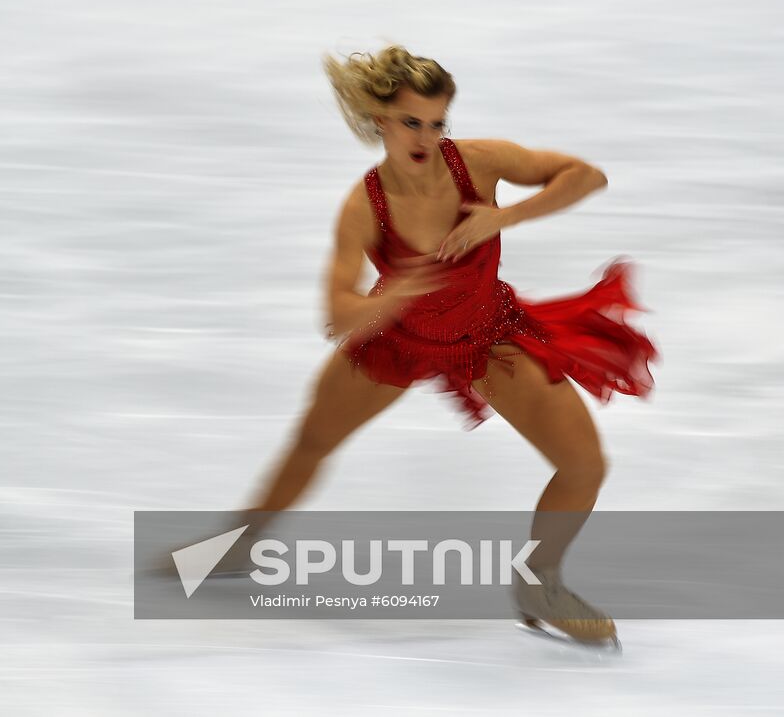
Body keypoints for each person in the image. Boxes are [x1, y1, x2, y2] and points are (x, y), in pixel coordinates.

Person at [237, 45, 655, 647]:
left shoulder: (478, 166)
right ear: (381, 120)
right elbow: (335, 314)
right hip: (397, 340)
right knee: (311, 440)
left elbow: (586, 176)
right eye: (412, 121)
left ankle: (538, 582)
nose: (427, 137)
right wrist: (394, 295)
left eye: (437, 123)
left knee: (585, 464)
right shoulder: (365, 206)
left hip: (486, 337)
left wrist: (501, 217)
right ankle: (239, 545)